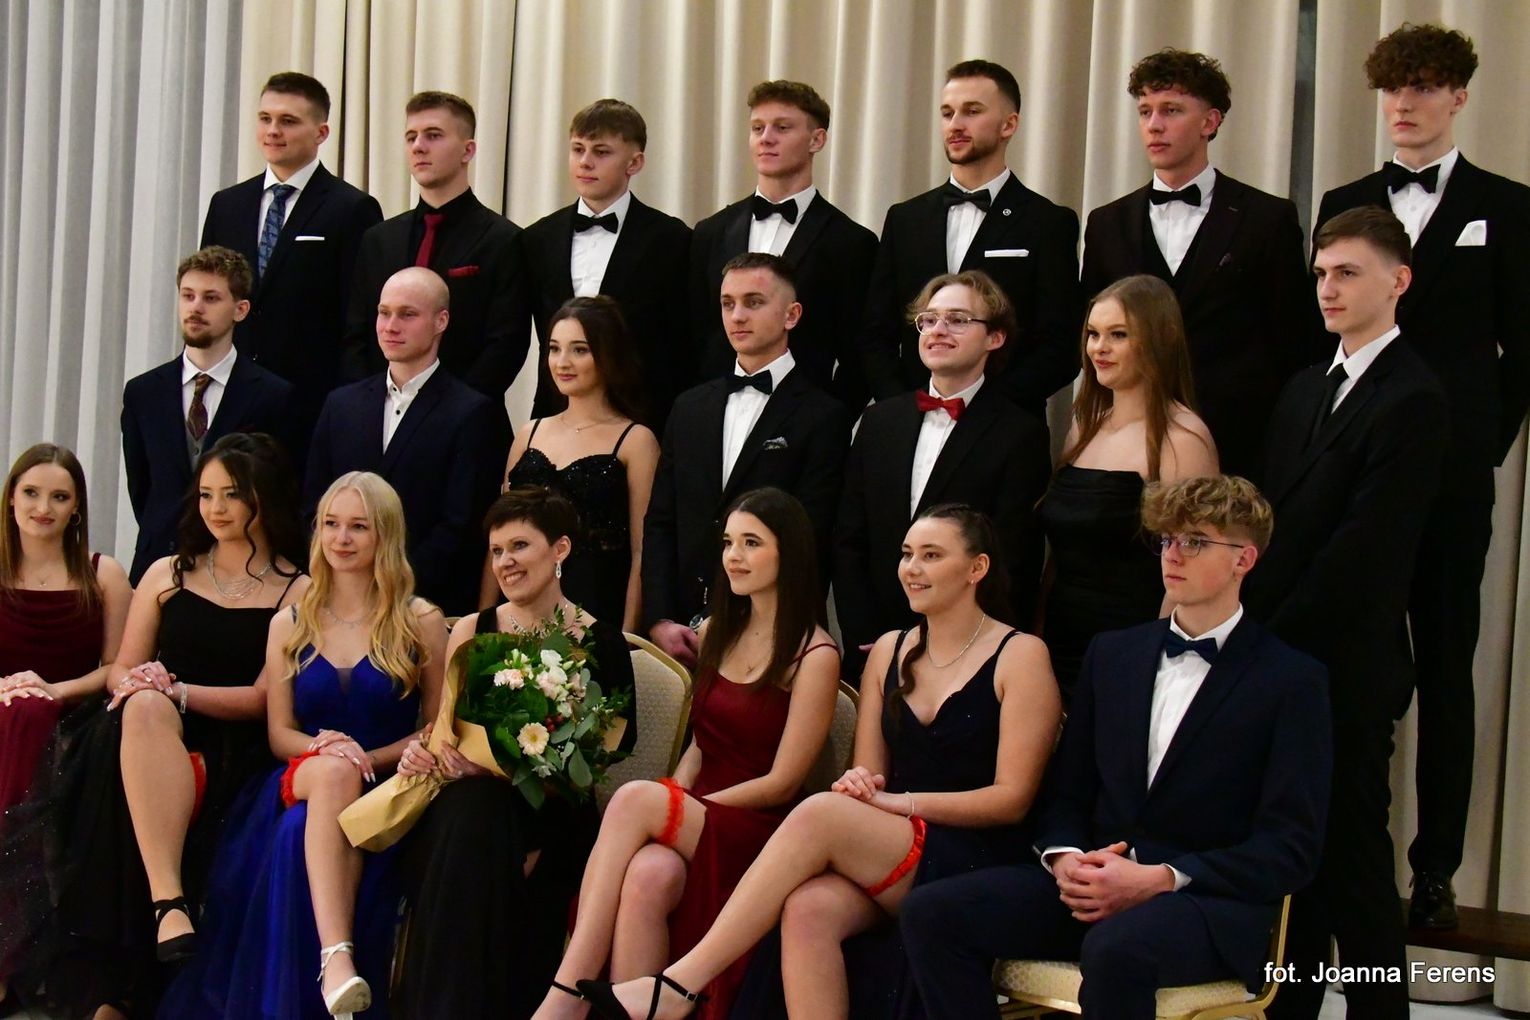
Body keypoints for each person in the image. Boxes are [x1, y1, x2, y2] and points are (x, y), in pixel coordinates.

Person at [579, 504, 1061, 1020]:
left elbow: (1012, 800)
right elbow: (869, 772)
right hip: (891, 839)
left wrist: (899, 803)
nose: (912, 569)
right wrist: (862, 785)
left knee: (818, 812)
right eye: (906, 555)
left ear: (976, 568)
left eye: (931, 556)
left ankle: (681, 984)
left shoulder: (1020, 654)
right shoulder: (890, 649)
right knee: (808, 907)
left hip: (977, 852)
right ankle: (671, 989)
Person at [899, 475, 1332, 1020]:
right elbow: (1067, 793)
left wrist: (1162, 877)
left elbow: (1291, 846)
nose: (1173, 554)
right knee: (932, 912)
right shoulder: (1113, 655)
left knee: (1117, 950)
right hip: (1094, 883)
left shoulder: (1291, 680)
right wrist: (1064, 858)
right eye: (1166, 539)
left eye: (1194, 541)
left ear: (1244, 559)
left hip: (1204, 903)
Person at [1314, 22, 1530, 928]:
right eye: (1394, 90)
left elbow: (1524, 348)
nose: (1405, 104)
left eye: (1425, 88)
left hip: (1450, 482)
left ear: (1459, 97)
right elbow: (1324, 334)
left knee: (1445, 663)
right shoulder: (1347, 200)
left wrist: (1478, 445)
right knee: (1348, 656)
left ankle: (1435, 869)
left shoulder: (1507, 205)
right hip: (1359, 470)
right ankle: (1331, 857)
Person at [0, 432, 307, 1020]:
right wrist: (147, 684)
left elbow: (265, 699)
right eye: (206, 494)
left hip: (229, 736)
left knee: (143, 720)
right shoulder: (168, 572)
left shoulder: (298, 588)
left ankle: (133, 974)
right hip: (143, 722)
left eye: (231, 494)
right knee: (135, 713)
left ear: (262, 498)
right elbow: (121, 669)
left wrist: (178, 692)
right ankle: (153, 924)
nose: (215, 508)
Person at [533, 488, 840, 1020]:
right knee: (648, 873)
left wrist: (678, 807)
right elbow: (701, 742)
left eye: (751, 543)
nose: (733, 556)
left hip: (762, 825)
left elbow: (783, 783)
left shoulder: (815, 654)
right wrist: (676, 801)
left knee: (636, 800)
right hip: (699, 812)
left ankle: (567, 992)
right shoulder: (718, 629)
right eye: (728, 542)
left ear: (788, 552)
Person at [1247, 206, 1447, 1020]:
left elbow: (1365, 554)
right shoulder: (1305, 387)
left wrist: (1265, 642)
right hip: (1280, 654)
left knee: (1355, 864)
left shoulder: (1414, 397)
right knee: (1297, 862)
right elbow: (1268, 526)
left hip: (1346, 667)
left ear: (1399, 281)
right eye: (1322, 274)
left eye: (1348, 273)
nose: (1328, 289)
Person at [157, 472, 445, 1019]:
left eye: (358, 527)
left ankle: (324, 977)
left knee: (302, 828)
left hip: (386, 782)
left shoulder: (421, 620)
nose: (341, 538)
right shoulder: (290, 621)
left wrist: (368, 757)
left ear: (385, 534)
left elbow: (435, 727)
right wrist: (326, 747)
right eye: (331, 524)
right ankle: (337, 959)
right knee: (330, 774)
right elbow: (279, 734)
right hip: (302, 773)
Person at [392, 486, 637, 1020]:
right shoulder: (471, 630)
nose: (505, 562)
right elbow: (444, 731)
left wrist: (505, 773)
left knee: (477, 824)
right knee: (473, 815)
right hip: (465, 809)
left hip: (552, 810)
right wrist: (422, 756)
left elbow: (603, 757)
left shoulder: (599, 641)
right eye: (497, 551)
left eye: (520, 546)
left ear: (560, 549)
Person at [1080, 48, 1321, 479]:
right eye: (1145, 111)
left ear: (1210, 122)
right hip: (1127, 440)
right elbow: (1090, 333)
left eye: (1171, 110)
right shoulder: (1106, 222)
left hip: (1239, 438)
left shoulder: (1267, 218)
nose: (1154, 124)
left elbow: (1294, 341)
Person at [835, 271, 1049, 680]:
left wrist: (965, 642)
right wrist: (867, 633)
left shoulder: (1019, 434)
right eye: (929, 320)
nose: (938, 330)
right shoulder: (879, 421)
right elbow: (849, 537)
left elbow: (1014, 556)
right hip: (874, 643)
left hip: (966, 651)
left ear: (995, 337)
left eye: (957, 320)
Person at [644, 253, 850, 668]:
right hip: (680, 630)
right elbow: (662, 520)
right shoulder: (689, 407)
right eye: (728, 303)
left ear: (792, 315)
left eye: (754, 302)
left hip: (774, 632)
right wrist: (660, 617)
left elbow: (810, 534)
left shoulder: (824, 416)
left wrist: (741, 623)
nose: (737, 316)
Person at [860, 59, 1080, 424]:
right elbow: (875, 334)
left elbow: (1062, 343)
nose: (955, 125)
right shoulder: (905, 219)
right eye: (947, 113)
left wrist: (990, 408)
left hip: (1006, 426)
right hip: (911, 420)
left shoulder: (1048, 222)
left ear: (1009, 124)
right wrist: (903, 406)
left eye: (972, 111)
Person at [1038, 275, 1217, 698]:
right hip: (1060, 642)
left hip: (1137, 646)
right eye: (1093, 334)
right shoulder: (1083, 426)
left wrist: (1155, 658)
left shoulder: (1183, 438)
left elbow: (1192, 565)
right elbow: (1058, 555)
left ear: (1160, 338)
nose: (1099, 348)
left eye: (1118, 335)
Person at [200, 72, 383, 456]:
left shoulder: (351, 209)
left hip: (310, 401)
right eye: (265, 118)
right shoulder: (227, 204)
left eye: (288, 121)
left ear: (321, 132)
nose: (273, 130)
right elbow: (209, 296)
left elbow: (358, 318)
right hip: (233, 396)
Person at [306, 267, 501, 617]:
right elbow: (314, 504)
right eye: (384, 313)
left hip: (425, 605)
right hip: (339, 601)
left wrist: (391, 583)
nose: (390, 326)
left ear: (441, 321)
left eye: (407, 315)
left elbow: (461, 524)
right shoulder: (340, 405)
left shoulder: (472, 413)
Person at [690, 80, 878, 413]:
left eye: (782, 127)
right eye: (757, 128)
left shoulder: (851, 242)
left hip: (806, 420)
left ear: (816, 139)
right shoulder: (710, 232)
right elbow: (692, 336)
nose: (766, 138)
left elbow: (860, 353)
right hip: (714, 414)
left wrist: (828, 420)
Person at [346, 89, 530, 426]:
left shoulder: (503, 239)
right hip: (377, 416)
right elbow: (356, 334)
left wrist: (451, 412)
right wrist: (370, 404)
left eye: (433, 135)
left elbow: (506, 344)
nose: (418, 146)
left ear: (468, 150)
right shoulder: (379, 239)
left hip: (468, 420)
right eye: (411, 137)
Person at [122, 246, 295, 582]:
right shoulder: (143, 392)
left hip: (241, 569)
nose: (196, 307)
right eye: (188, 296)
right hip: (158, 564)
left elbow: (279, 492)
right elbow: (142, 486)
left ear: (240, 310)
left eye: (211, 298)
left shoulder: (272, 396)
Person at [522, 99, 693, 431]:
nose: (585, 162)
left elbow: (681, 342)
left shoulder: (672, 239)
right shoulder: (537, 238)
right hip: (555, 411)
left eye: (601, 152)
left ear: (635, 162)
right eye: (578, 149)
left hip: (643, 414)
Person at [501, 297, 660, 630]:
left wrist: (626, 638)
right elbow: (500, 536)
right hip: (521, 611)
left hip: (597, 610)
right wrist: (486, 617)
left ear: (607, 354)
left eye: (579, 350)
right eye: (554, 349)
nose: (562, 362)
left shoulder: (636, 440)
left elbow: (642, 552)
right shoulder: (529, 433)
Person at [0, 443, 132, 815]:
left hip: (76, 715)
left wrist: (52, 691)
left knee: (31, 709)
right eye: (31, 493)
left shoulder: (105, 574)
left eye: (59, 497)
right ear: (11, 498)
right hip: (3, 706)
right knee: (23, 708)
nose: (43, 508)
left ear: (76, 508)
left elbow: (117, 666)